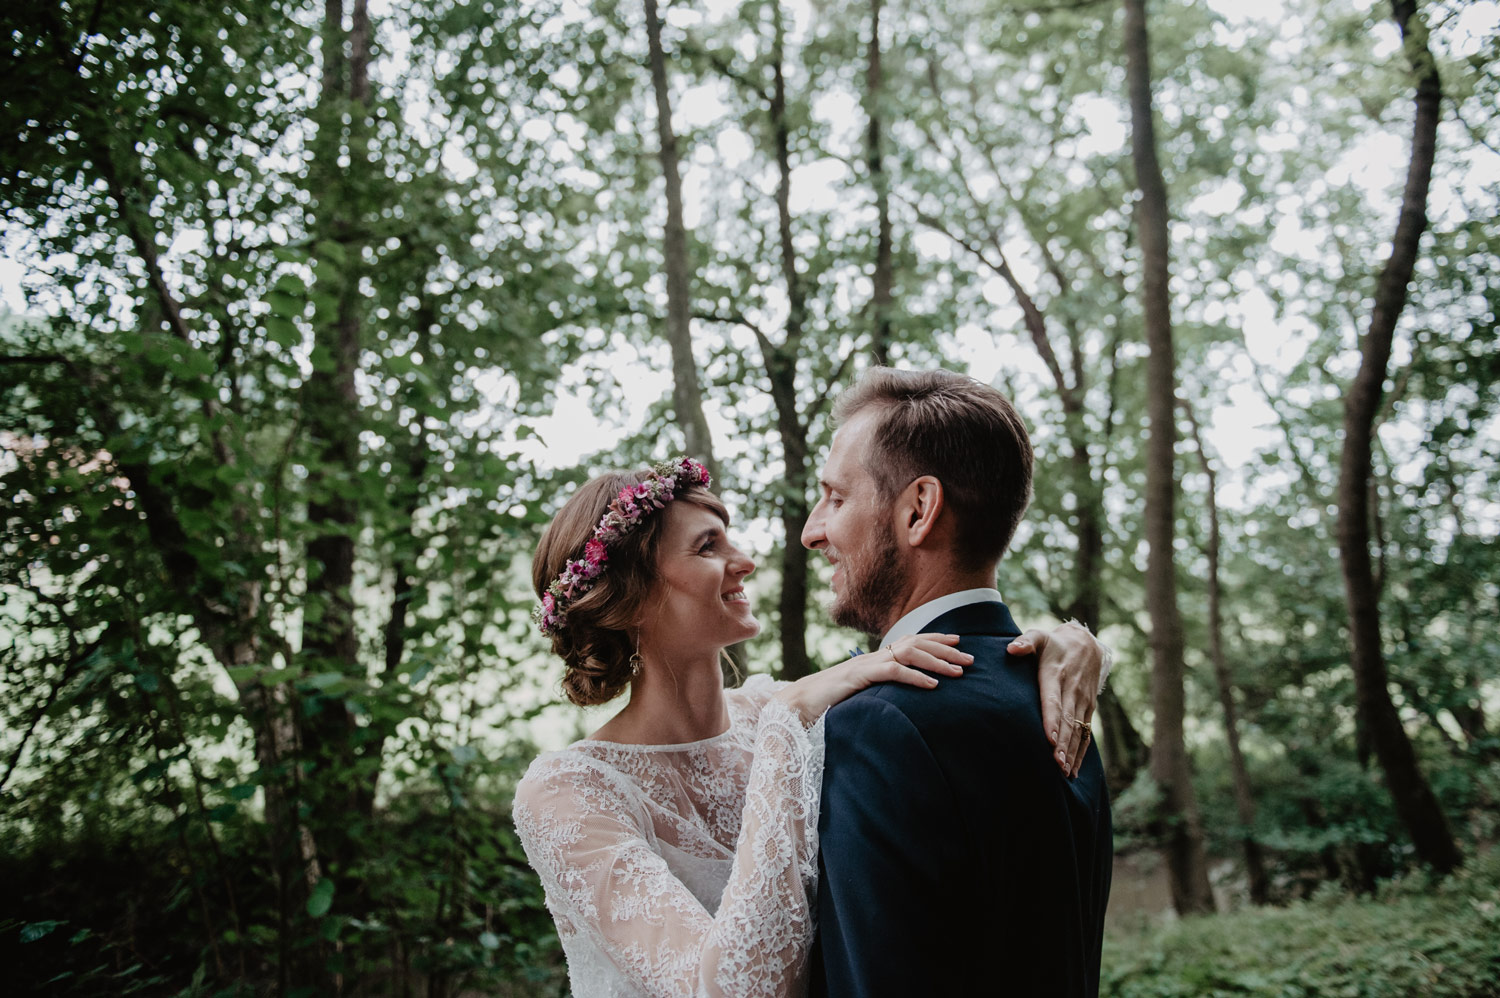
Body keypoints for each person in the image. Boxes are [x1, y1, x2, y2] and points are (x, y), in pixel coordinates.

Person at [513, 452, 1108, 998]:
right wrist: (786, 723)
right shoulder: (569, 794)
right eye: (708, 547)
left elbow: (952, 700)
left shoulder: (789, 711)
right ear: (631, 598)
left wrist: (1072, 643)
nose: (744, 562)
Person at [804, 367, 1113, 997]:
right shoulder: (1063, 701)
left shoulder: (880, 726)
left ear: (919, 509)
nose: (813, 530)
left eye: (836, 498)